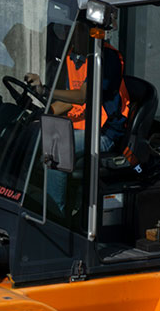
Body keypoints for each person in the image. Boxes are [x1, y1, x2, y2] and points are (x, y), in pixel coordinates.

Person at [26, 19, 129, 214]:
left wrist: (45, 90)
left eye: (78, 29)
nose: (71, 34)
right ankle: (24, 196)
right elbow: (71, 100)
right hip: (78, 125)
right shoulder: (73, 56)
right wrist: (44, 114)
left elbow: (83, 96)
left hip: (103, 133)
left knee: (56, 149)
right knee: (30, 132)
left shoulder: (107, 57)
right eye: (70, 29)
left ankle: (55, 214)